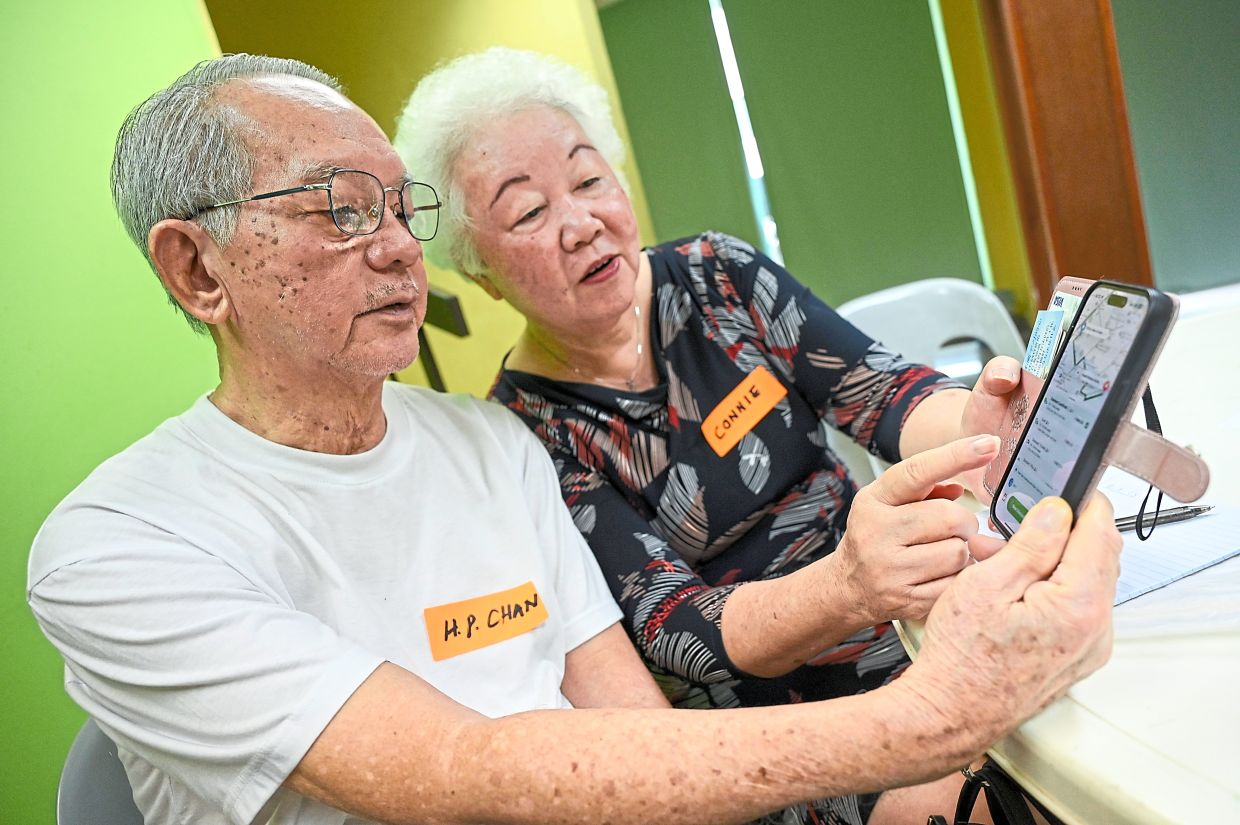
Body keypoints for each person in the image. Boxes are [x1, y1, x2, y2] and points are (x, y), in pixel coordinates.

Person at [28, 53, 1120, 825]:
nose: (396, 249)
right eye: (341, 209)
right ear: (196, 269)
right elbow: (463, 768)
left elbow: (633, 728)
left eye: (398, 209)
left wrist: (984, 436)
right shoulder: (120, 545)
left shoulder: (483, 449)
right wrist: (931, 713)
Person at [395, 47, 1035, 819]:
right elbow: (680, 630)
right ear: (481, 275)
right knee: (984, 799)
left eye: (589, 179)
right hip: (775, 724)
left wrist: (975, 422)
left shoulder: (718, 277)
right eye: (529, 212)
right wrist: (847, 586)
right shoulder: (527, 433)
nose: (581, 224)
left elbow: (881, 393)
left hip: (912, 616)